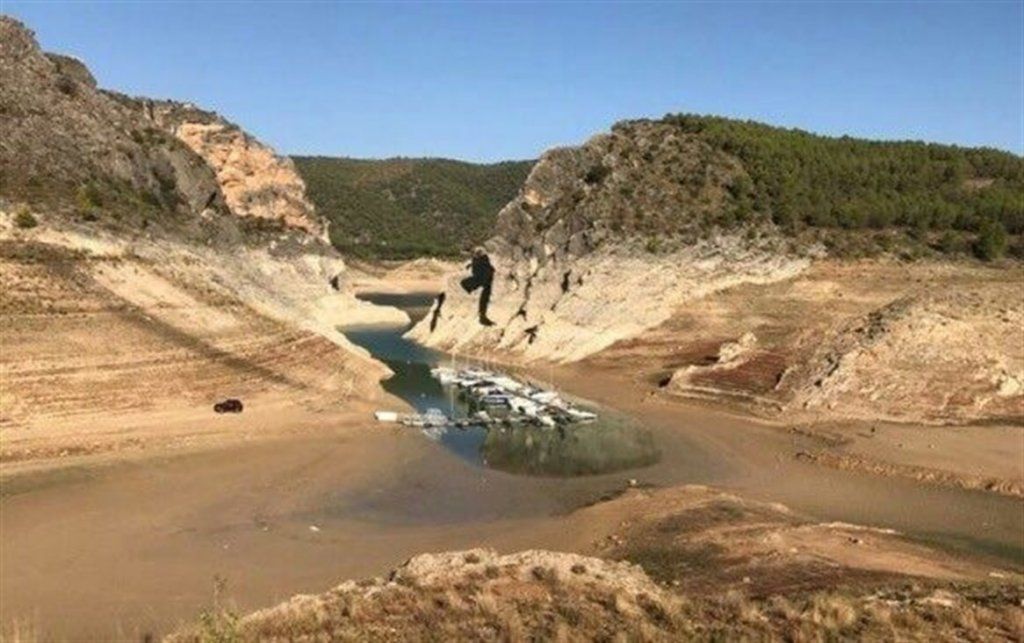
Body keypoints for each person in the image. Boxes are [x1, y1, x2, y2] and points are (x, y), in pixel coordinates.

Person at [460, 247, 495, 326]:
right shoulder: (481, 260)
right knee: (484, 290)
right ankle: (482, 315)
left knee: (484, 290)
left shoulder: (481, 259)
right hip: (483, 279)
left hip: (483, 279)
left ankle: (482, 315)